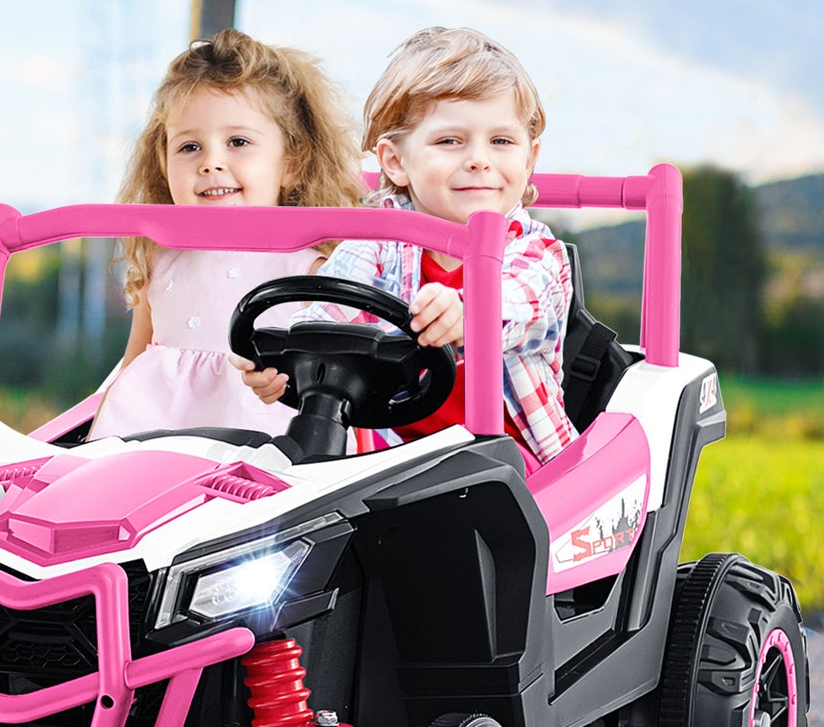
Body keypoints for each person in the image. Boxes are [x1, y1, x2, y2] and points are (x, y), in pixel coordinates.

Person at [236, 26, 576, 465]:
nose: (479, 158)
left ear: (529, 159)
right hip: (390, 454)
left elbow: (520, 303)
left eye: (501, 141)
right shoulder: (377, 244)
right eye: (449, 141)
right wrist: (284, 367)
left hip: (512, 459)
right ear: (396, 161)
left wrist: (469, 311)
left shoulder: (536, 252)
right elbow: (326, 319)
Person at [87, 29, 361, 441]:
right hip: (145, 438)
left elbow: (335, 385)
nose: (212, 162)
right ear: (162, 163)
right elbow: (132, 362)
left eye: (238, 142)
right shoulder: (161, 258)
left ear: (291, 163)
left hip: (257, 446)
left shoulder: (310, 267)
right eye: (189, 147)